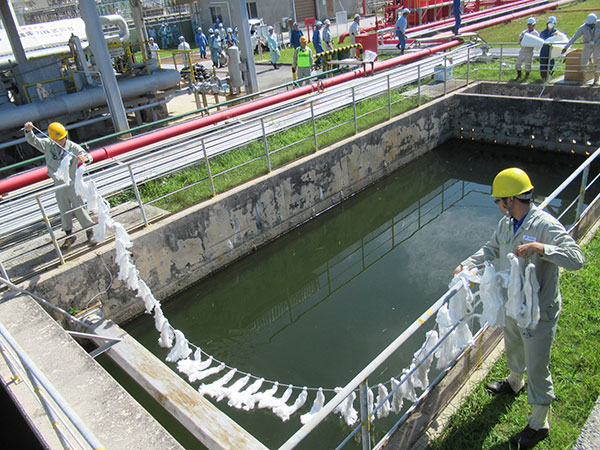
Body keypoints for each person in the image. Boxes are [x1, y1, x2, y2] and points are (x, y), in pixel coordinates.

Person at [453, 168, 584, 449]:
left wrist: (542, 248)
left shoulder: (544, 226)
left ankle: (539, 423)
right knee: (513, 344)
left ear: (510, 199)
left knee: (538, 365)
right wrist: (467, 264)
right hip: (514, 303)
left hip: (539, 310)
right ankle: (514, 382)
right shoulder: (506, 224)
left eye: (498, 200)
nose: (497, 205)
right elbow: (490, 249)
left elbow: (577, 258)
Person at [24, 121, 98, 250]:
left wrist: (85, 159)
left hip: (72, 181)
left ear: (65, 136)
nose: (59, 142)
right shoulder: (48, 145)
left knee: (79, 206)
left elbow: (87, 156)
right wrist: (28, 131)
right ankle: (69, 235)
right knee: (64, 209)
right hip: (58, 183)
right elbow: (33, 141)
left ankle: (89, 232)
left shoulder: (73, 147)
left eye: (61, 139)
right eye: (56, 140)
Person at [562, 13, 600, 85]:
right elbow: (574, 37)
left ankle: (596, 80)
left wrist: (596, 42)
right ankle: (582, 79)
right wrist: (566, 47)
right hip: (587, 46)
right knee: (584, 63)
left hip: (597, 46)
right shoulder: (583, 27)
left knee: (597, 62)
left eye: (591, 25)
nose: (590, 26)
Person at [514, 17, 539, 81]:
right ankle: (519, 75)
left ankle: (526, 76)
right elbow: (519, 40)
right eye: (529, 25)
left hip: (529, 50)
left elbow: (537, 42)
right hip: (523, 49)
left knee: (528, 64)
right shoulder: (524, 32)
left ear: (534, 25)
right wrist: (521, 39)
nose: (530, 26)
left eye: (531, 25)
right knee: (518, 63)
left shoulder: (535, 33)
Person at [540, 16, 562, 81]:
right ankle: (543, 77)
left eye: (552, 23)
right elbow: (542, 39)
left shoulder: (556, 32)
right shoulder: (544, 32)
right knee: (543, 62)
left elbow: (558, 38)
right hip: (544, 49)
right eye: (549, 23)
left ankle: (549, 76)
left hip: (552, 49)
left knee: (551, 62)